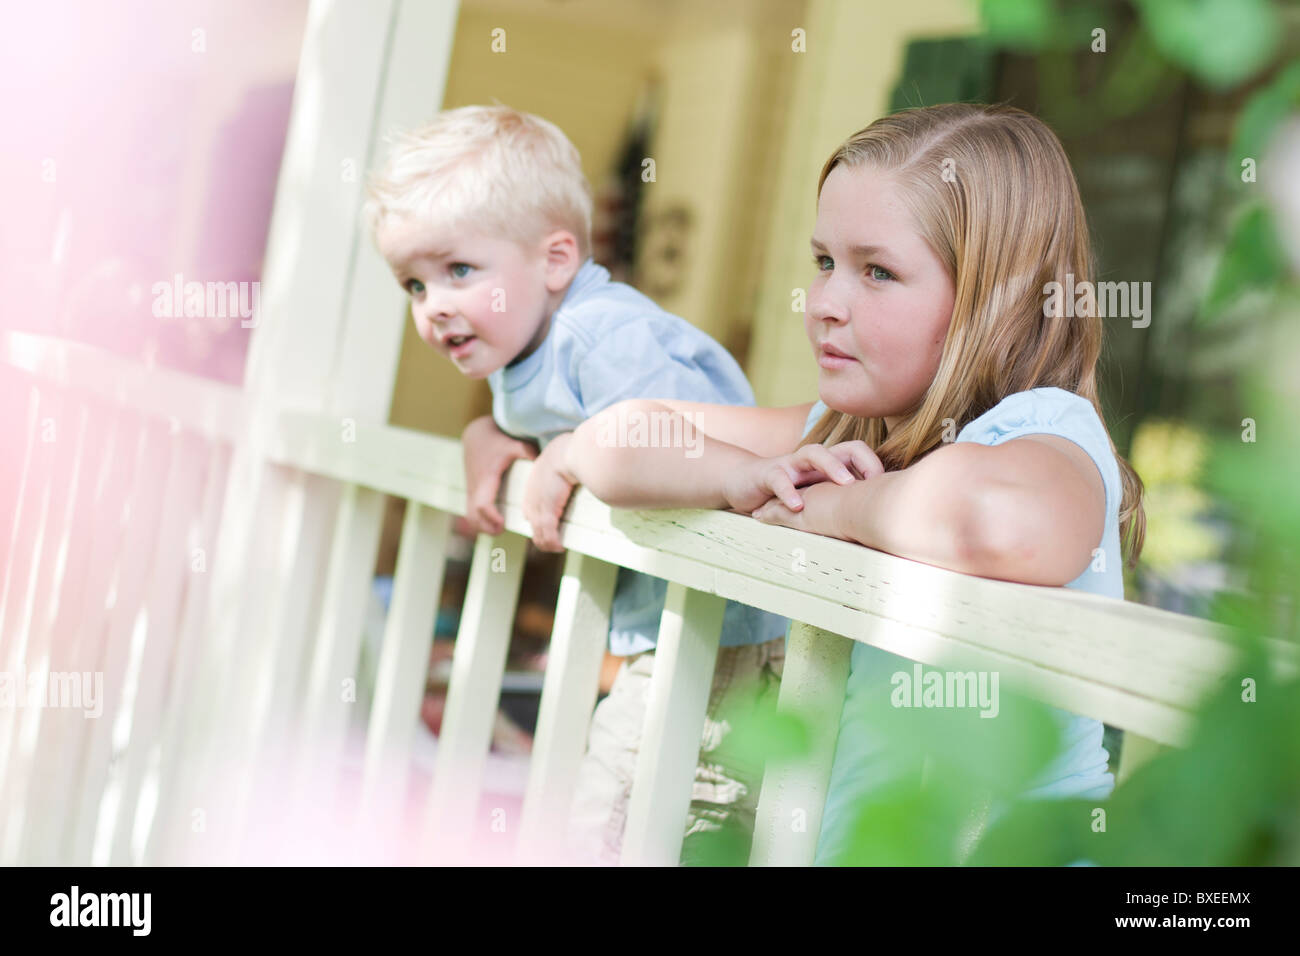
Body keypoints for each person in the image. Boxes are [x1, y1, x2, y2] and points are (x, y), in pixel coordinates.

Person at [561, 103, 1147, 864]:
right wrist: (741, 475)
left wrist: (830, 509)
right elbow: (618, 434)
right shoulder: (848, 429)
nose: (826, 303)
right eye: (824, 262)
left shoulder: (1044, 429)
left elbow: (999, 521)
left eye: (878, 271)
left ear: (993, 301)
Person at [362, 104, 788, 864]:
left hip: (721, 636)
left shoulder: (602, 337)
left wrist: (574, 452)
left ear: (556, 260)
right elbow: (546, 421)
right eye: (414, 285)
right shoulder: (525, 342)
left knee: (610, 822)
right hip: (673, 633)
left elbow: (688, 448)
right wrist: (493, 434)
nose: (435, 307)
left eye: (459, 270)